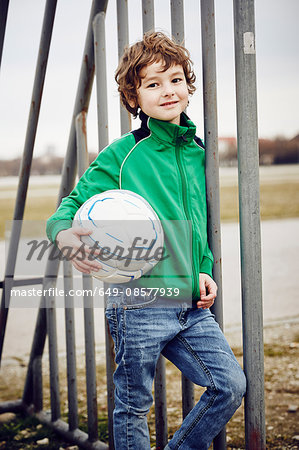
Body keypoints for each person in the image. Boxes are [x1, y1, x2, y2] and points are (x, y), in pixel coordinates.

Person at [46, 31, 246, 450]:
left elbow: (198, 222)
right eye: (152, 84)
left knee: (228, 384)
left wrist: (204, 269)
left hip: (191, 306)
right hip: (137, 302)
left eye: (175, 79)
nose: (167, 91)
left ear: (188, 86)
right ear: (134, 97)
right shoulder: (123, 154)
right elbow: (69, 206)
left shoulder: (198, 152)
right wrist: (65, 235)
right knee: (134, 404)